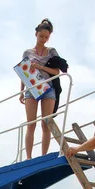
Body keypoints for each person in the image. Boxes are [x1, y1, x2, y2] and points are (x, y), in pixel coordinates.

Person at [19, 18, 61, 160]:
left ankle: (43, 156)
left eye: (46, 37)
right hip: (31, 88)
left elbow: (57, 72)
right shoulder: (27, 52)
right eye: (41, 36)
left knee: (46, 123)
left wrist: (40, 67)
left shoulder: (52, 51)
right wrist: (21, 91)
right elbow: (23, 72)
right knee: (31, 124)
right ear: (36, 34)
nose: (43, 39)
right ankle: (29, 157)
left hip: (48, 88)